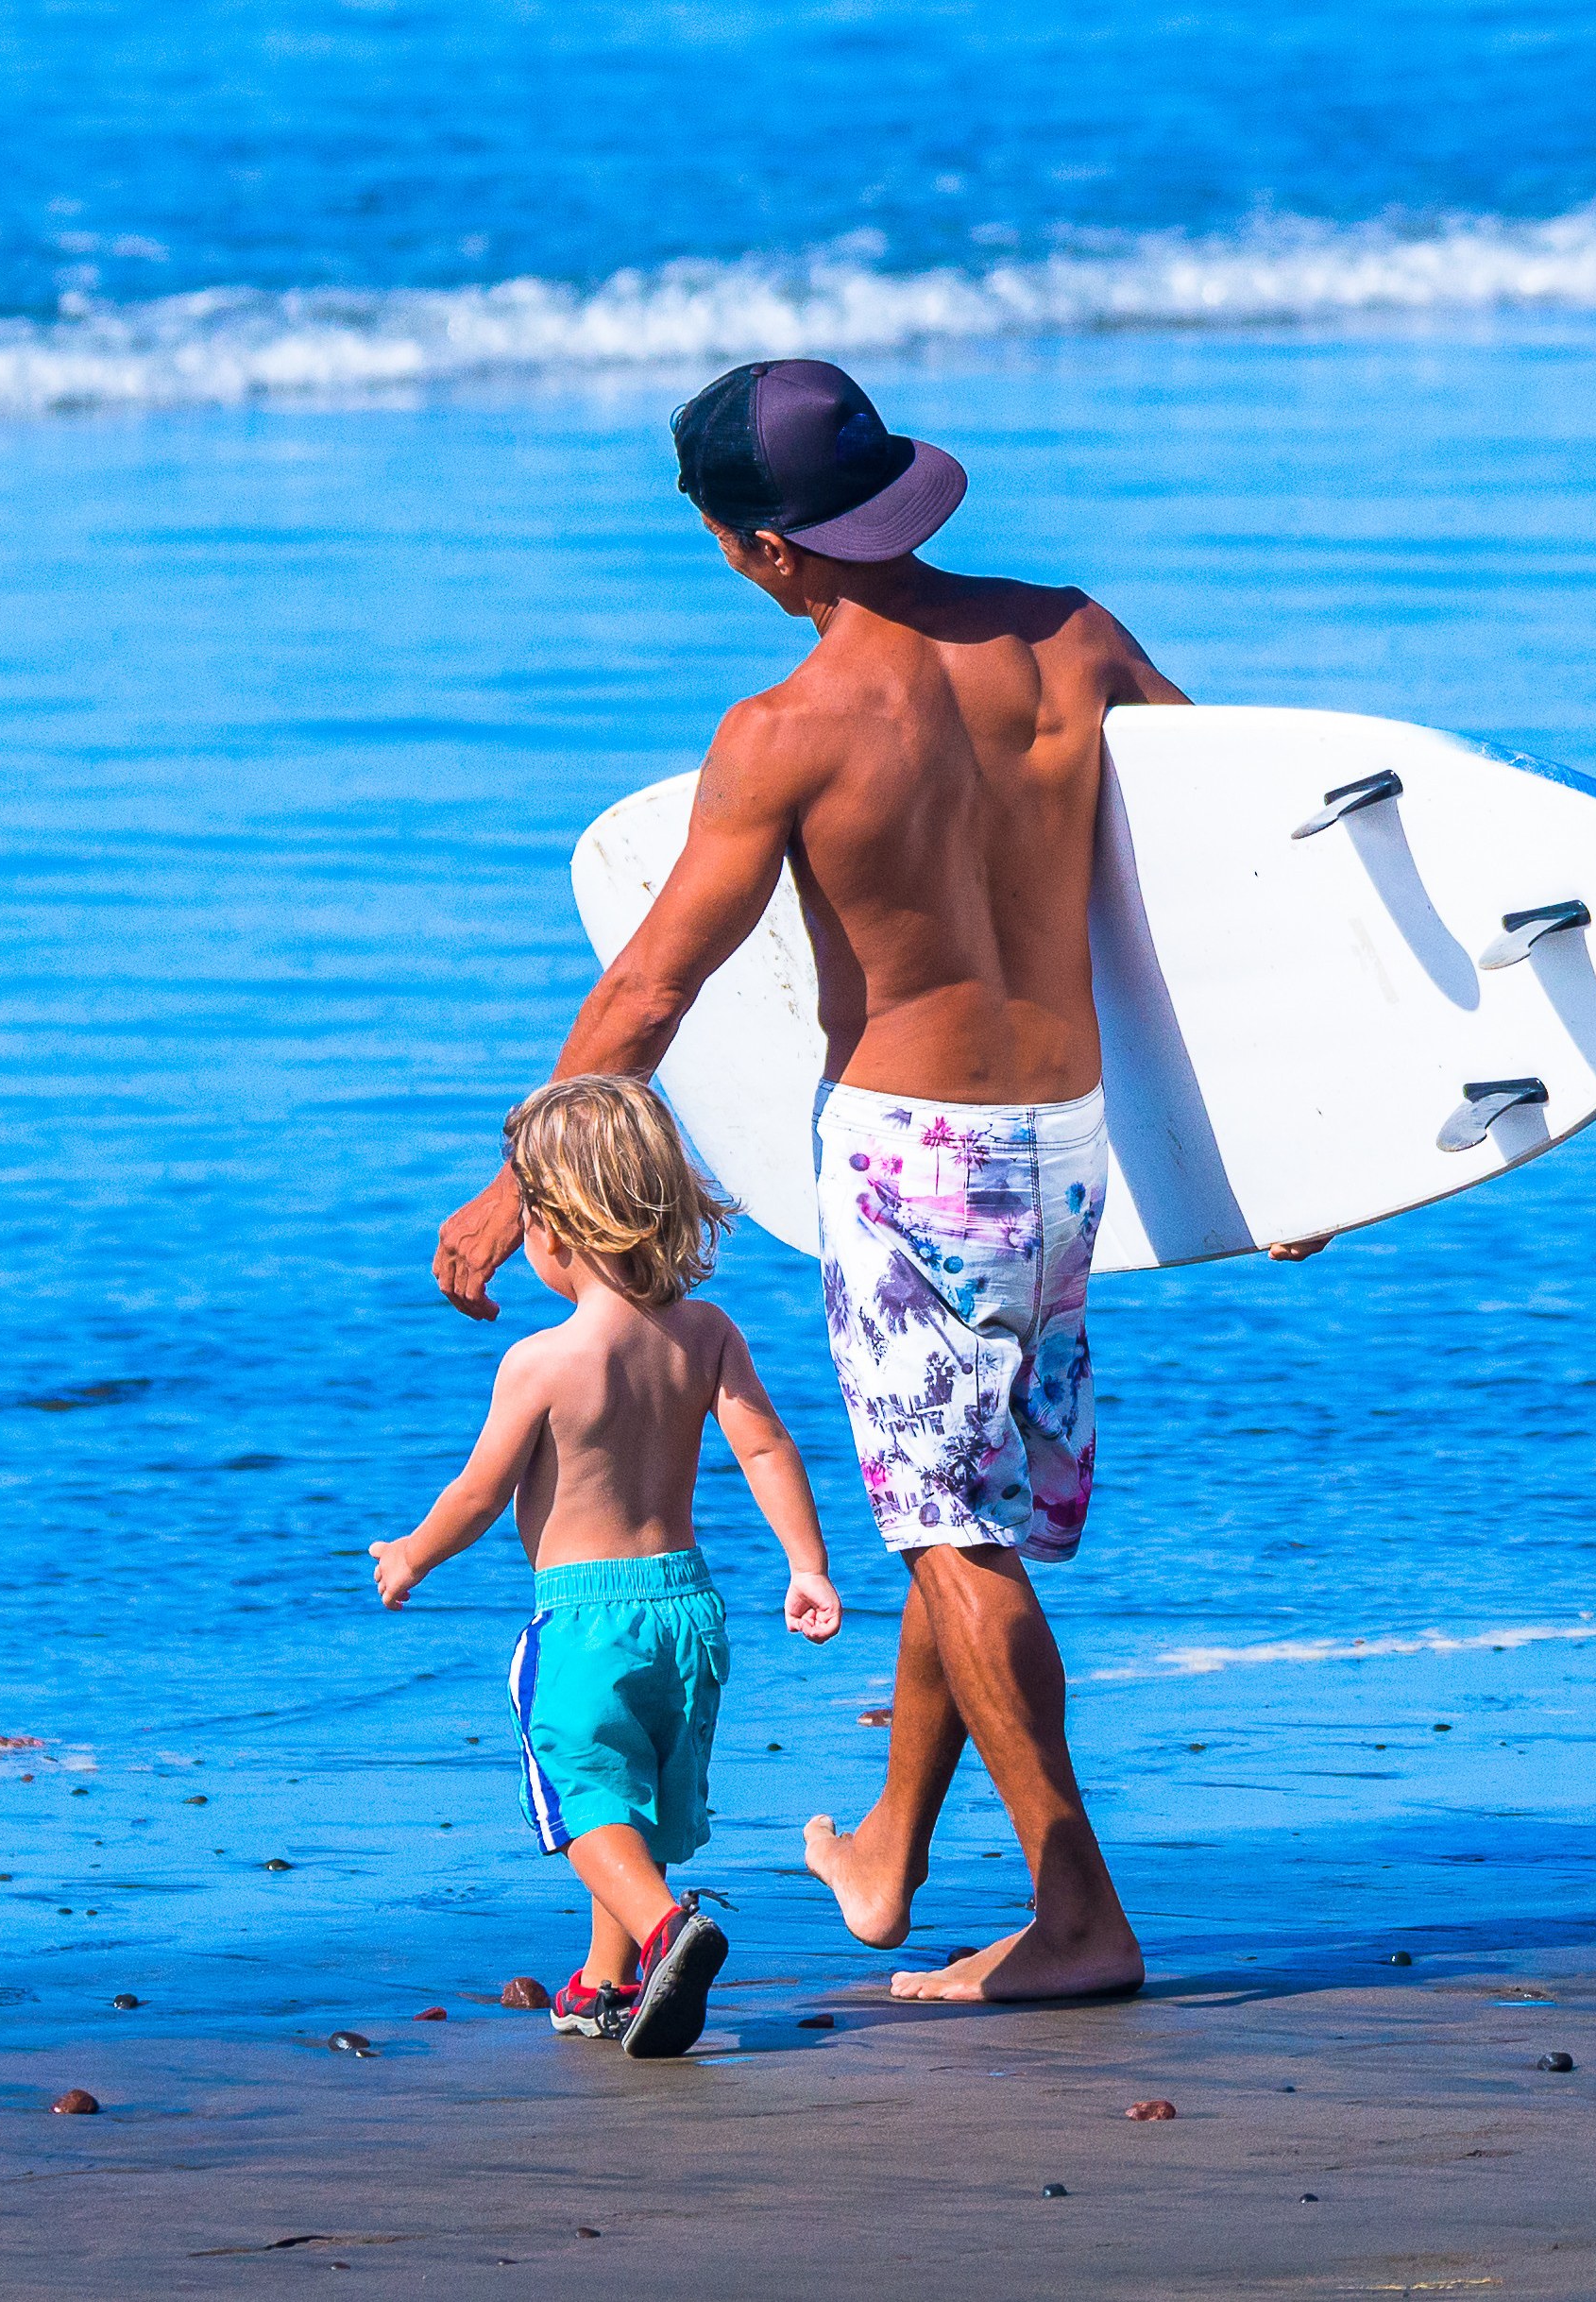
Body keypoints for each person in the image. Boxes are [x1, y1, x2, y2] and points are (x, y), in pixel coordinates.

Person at [433, 359, 1308, 2004]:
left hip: (911, 1161)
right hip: (1065, 1147)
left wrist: (516, 1182)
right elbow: (1226, 883)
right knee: (963, 1509)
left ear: (764, 550)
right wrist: (1283, 1150)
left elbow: (645, 993)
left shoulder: (786, 732)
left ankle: (1074, 1915)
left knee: (946, 1538)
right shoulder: (1075, 635)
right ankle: (892, 1847)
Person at [376, 1073, 842, 2058]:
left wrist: (411, 1553)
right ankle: (609, 1980)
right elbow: (765, 1447)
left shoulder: (543, 1361)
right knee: (645, 1800)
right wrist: (805, 1564)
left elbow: (477, 1494)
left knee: (585, 1799)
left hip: (586, 1621)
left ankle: (671, 1930)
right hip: (688, 1611)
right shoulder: (706, 1333)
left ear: (549, 1225)